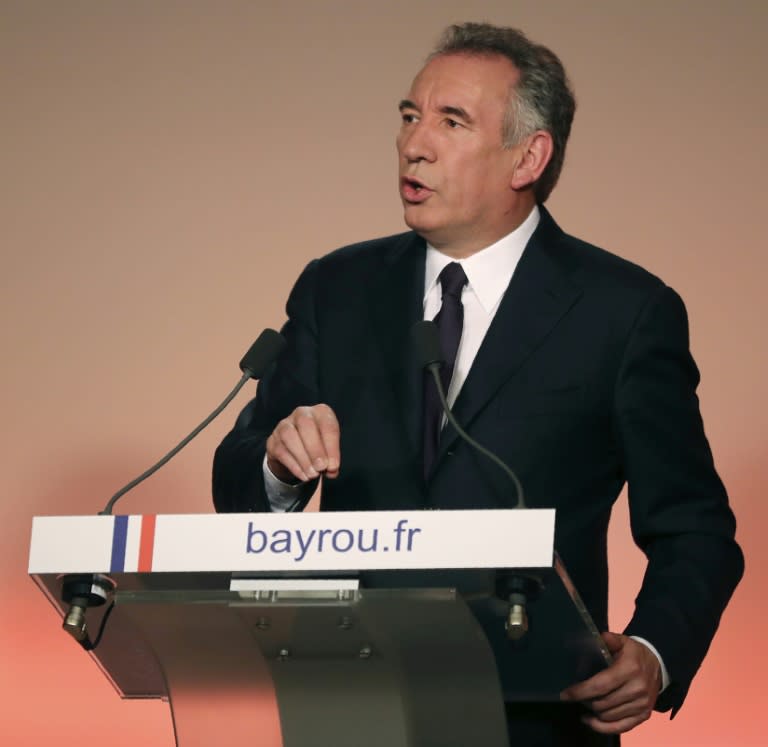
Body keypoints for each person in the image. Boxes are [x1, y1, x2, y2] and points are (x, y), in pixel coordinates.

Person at [213, 22, 743, 746]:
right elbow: (238, 479)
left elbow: (696, 531)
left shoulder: (624, 313)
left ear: (529, 156)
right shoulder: (336, 290)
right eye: (409, 116)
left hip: (534, 718)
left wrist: (654, 653)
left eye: (450, 122)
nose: (414, 144)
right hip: (349, 710)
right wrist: (275, 465)